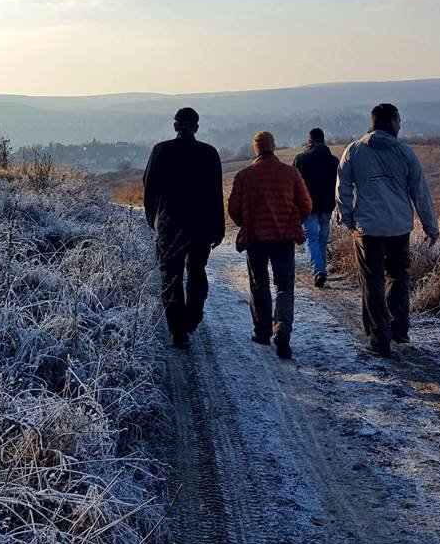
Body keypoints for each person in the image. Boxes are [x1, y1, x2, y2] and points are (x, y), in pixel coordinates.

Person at [336, 104, 439, 357]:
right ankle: (399, 329)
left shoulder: (354, 150)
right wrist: (430, 227)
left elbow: (342, 189)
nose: (401, 125)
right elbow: (420, 193)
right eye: (399, 121)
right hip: (399, 226)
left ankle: (379, 339)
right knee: (399, 276)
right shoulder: (405, 152)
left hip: (367, 227)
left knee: (371, 282)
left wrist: (348, 219)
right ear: (391, 122)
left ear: (372, 122)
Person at [143, 107, 225, 349]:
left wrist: (152, 218)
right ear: (197, 127)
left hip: (170, 224)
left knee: (172, 275)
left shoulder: (161, 150)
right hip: (201, 224)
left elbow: (149, 188)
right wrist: (218, 228)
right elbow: (215, 193)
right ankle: (193, 317)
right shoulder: (209, 153)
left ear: (175, 126)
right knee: (197, 270)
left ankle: (178, 331)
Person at [227, 131, 312, 359]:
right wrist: (293, 221)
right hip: (284, 238)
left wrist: (247, 223)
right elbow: (306, 204)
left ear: (256, 149)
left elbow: (233, 208)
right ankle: (282, 328)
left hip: (256, 238)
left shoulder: (244, 175)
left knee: (259, 284)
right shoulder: (290, 173)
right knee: (284, 285)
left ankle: (263, 332)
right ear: (273, 147)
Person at [293, 128, 339, 288]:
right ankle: (322, 269)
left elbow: (295, 186)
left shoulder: (300, 159)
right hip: (327, 206)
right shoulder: (334, 161)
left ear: (309, 140)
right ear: (324, 140)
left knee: (311, 237)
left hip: (308, 206)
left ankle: (318, 270)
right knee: (323, 239)